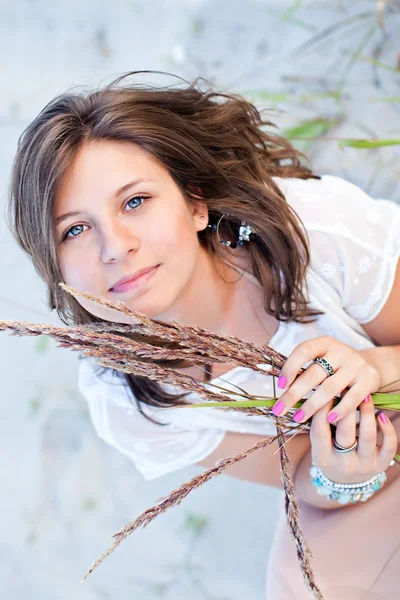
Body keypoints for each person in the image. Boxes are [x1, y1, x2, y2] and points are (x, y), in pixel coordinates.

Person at [6, 71, 400, 599]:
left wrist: (374, 367)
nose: (114, 247)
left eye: (135, 201)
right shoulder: (128, 395)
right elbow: (303, 473)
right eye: (74, 230)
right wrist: (343, 475)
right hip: (374, 465)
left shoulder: (306, 232)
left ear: (195, 203)